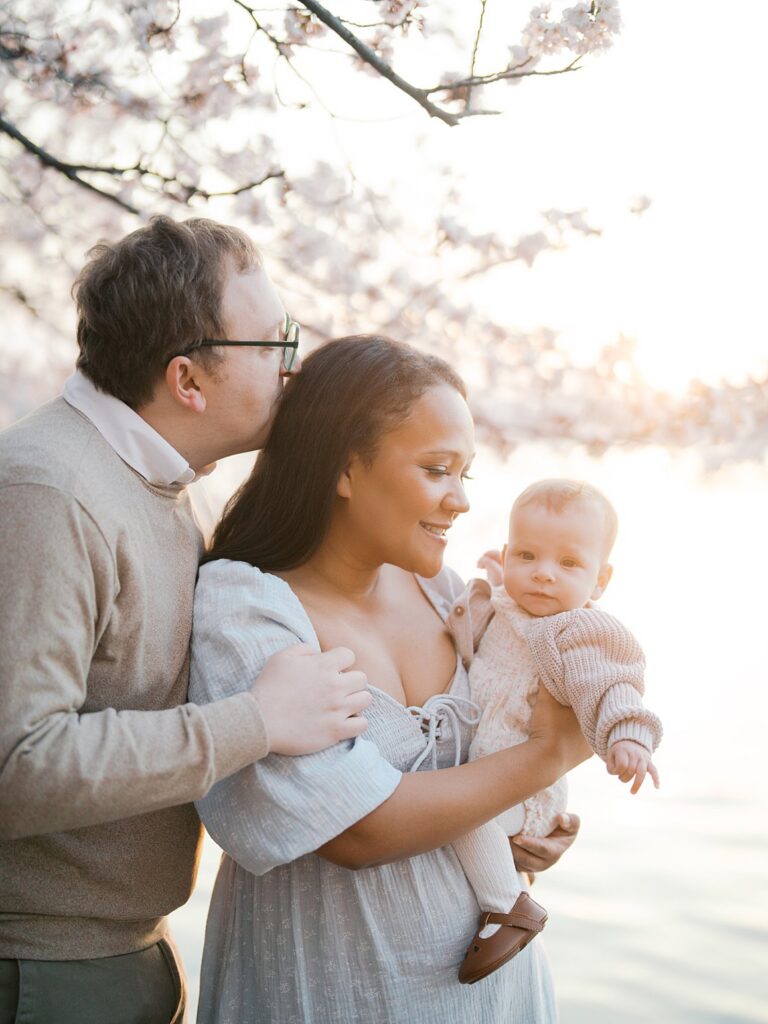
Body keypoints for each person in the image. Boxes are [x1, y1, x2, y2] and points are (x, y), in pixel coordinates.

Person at [0, 216, 374, 1023]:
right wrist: (257, 720)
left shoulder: (158, 483)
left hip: (121, 950)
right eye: (275, 344)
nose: (294, 366)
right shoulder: (47, 494)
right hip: (42, 973)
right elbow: (16, 765)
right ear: (188, 382)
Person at [189, 335, 592, 1024]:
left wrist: (526, 827)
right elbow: (356, 830)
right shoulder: (246, 607)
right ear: (346, 468)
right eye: (437, 470)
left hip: (497, 998)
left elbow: (498, 749)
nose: (461, 500)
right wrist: (546, 758)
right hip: (337, 991)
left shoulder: (451, 596)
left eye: (466, 474)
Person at [447, 478, 663, 984]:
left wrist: (628, 736)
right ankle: (505, 893)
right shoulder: (510, 606)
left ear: (600, 579)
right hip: (488, 778)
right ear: (507, 553)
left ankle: (510, 909)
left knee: (459, 816)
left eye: (567, 565)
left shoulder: (577, 633)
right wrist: (502, 577)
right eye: (527, 555)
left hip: (522, 792)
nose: (543, 575)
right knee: (461, 809)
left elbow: (612, 686)